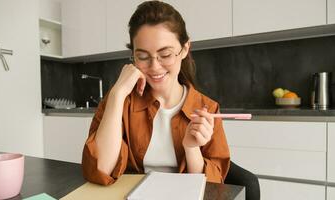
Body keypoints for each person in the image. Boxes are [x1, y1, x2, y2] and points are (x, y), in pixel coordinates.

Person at [82, 1, 230, 185]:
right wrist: (117, 94)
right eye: (142, 57)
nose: (154, 67)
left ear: (184, 49)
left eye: (165, 55)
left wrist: (192, 149)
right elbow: (99, 171)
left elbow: (214, 186)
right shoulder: (121, 102)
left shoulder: (207, 108)